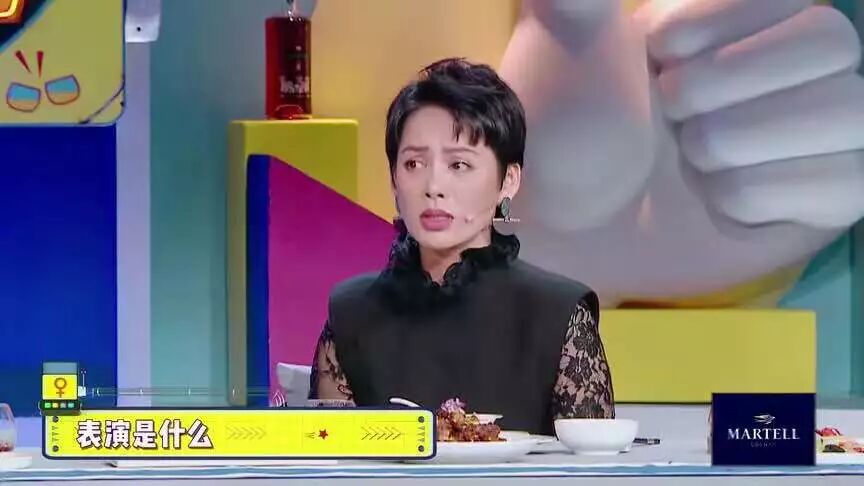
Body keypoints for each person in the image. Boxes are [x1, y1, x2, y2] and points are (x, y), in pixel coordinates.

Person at [308, 58, 614, 436]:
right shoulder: (351, 314)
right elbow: (332, 459)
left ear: (509, 180)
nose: (433, 186)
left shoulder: (559, 314)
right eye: (414, 163)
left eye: (459, 165)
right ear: (393, 180)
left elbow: (589, 463)